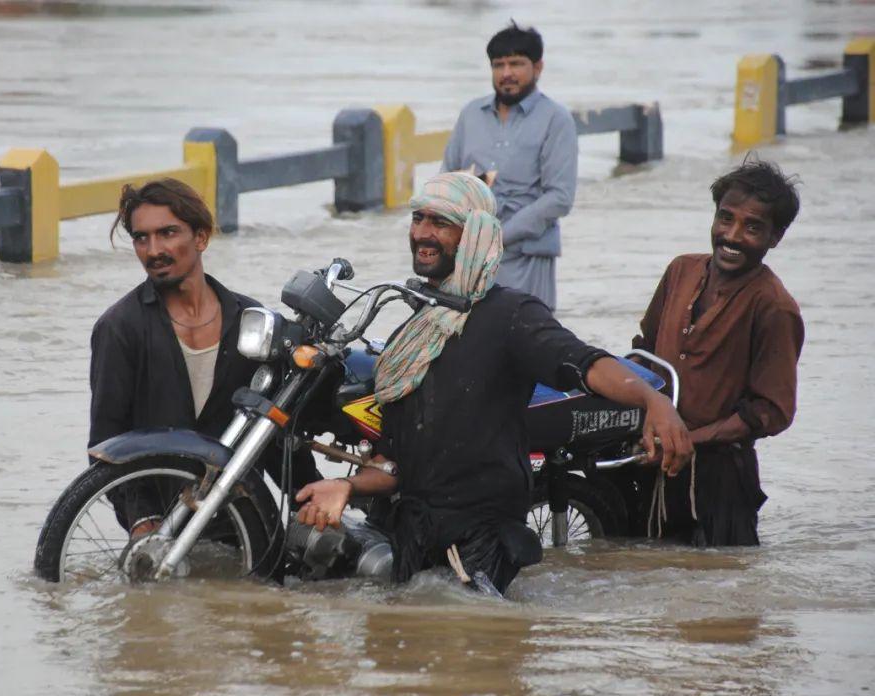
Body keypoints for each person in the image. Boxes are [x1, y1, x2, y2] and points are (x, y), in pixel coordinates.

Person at [294, 172, 691, 593]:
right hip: (413, 535)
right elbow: (394, 467)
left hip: (478, 542)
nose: (423, 234)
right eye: (418, 218)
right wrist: (344, 486)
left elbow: (586, 363)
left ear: (475, 236)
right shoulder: (415, 334)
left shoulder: (511, 316)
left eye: (441, 223)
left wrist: (653, 401)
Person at [89, 178, 315, 537]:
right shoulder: (119, 329)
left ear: (201, 238)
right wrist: (140, 519)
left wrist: (310, 497)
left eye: (167, 233)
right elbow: (106, 442)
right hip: (163, 529)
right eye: (141, 238)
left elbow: (274, 431)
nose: (153, 250)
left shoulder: (250, 322)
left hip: (241, 525)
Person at [633, 159, 804, 546]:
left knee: (723, 594)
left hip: (721, 480)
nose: (733, 235)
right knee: (646, 578)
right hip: (652, 460)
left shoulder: (774, 306)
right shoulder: (681, 271)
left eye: (753, 227)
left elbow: (771, 411)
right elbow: (644, 351)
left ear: (775, 237)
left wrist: (690, 438)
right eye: (725, 219)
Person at [440, 21, 577, 311]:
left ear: (537, 67)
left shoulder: (556, 119)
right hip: (469, 258)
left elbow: (559, 198)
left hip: (526, 258)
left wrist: (499, 237)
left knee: (525, 339)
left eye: (516, 63)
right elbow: (447, 184)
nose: (506, 74)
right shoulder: (471, 115)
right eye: (498, 64)